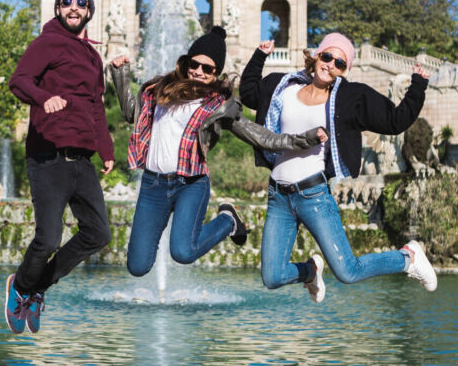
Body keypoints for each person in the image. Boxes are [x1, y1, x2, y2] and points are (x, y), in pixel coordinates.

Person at [108, 26, 325, 278]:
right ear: (186, 62)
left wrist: (304, 139)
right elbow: (131, 113)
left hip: (190, 184)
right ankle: (225, 222)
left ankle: (228, 221)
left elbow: (260, 135)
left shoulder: (219, 106)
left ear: (216, 73)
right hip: (152, 185)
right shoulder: (160, 90)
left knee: (183, 252)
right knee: (137, 267)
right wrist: (120, 73)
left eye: (207, 69)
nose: (198, 71)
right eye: (194, 64)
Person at [240, 33, 438, 302]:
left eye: (340, 63)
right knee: (272, 277)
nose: (331, 64)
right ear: (317, 55)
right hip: (278, 196)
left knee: (348, 272)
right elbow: (249, 95)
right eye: (327, 56)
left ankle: (408, 258)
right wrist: (259, 56)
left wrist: (418, 86)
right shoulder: (283, 85)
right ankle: (310, 270)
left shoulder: (350, 98)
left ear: (344, 70)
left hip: (314, 196)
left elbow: (394, 121)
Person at [5, 0, 113, 334]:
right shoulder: (47, 42)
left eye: (81, 2)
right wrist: (41, 97)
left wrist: (106, 150)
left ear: (89, 12)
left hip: (81, 160)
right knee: (48, 239)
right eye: (66, 1)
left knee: (98, 234)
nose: (73, 7)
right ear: (57, 9)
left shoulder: (93, 57)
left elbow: (96, 107)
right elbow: (19, 80)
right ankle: (20, 286)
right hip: (48, 155)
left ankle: (36, 288)